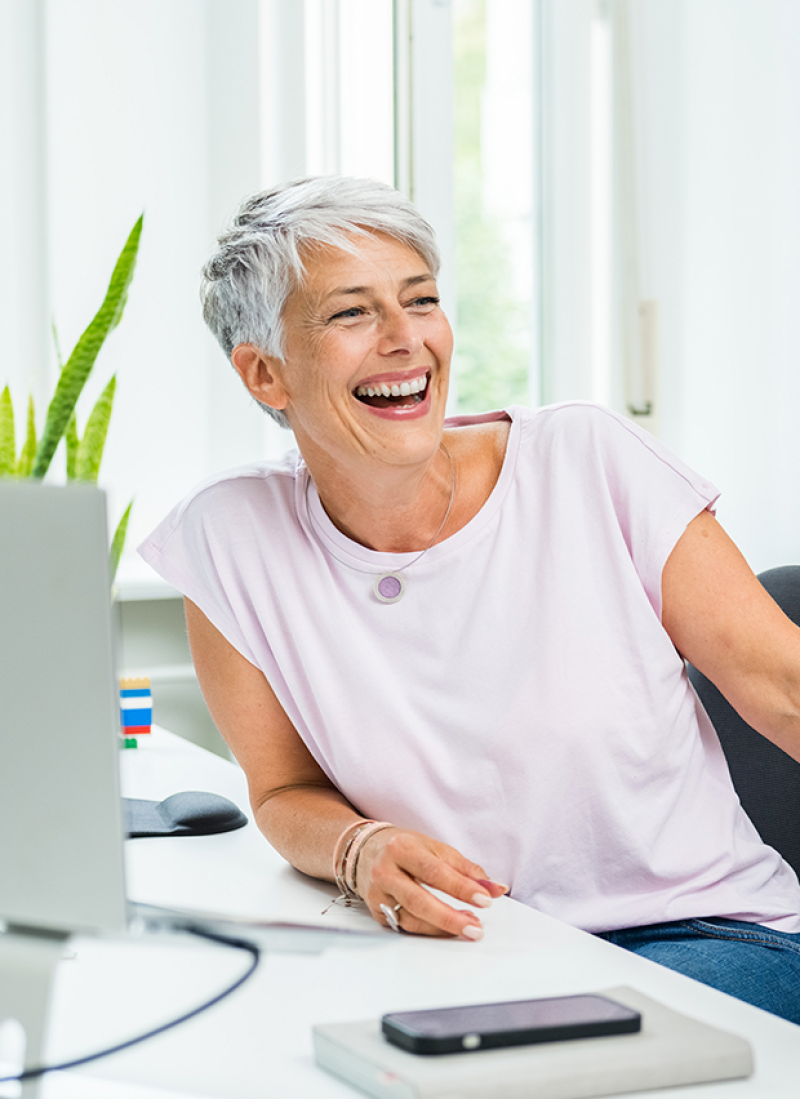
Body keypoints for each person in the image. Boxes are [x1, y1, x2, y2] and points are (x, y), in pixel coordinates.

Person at [139, 176, 800, 1023]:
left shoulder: (584, 460)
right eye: (351, 313)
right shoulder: (228, 538)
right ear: (265, 373)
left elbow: (783, 688)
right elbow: (280, 792)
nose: (405, 339)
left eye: (421, 300)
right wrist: (356, 848)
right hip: (468, 952)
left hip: (700, 935)